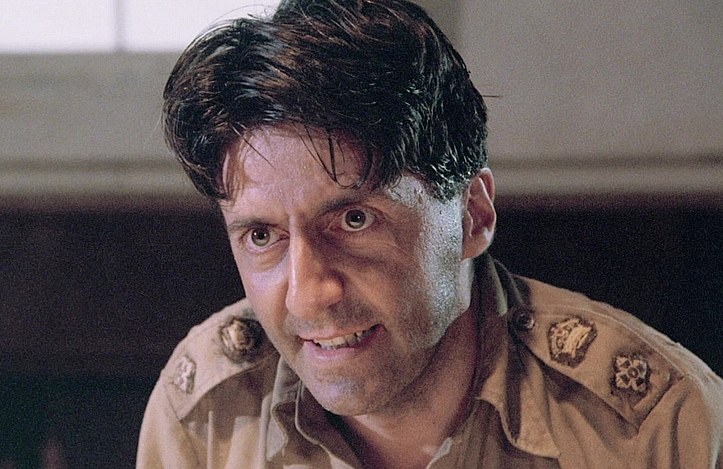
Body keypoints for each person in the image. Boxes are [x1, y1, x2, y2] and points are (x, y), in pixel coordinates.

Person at [136, 0, 723, 467]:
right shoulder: (206, 415)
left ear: (473, 215)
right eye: (262, 237)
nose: (308, 296)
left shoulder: (656, 428)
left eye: (354, 220)